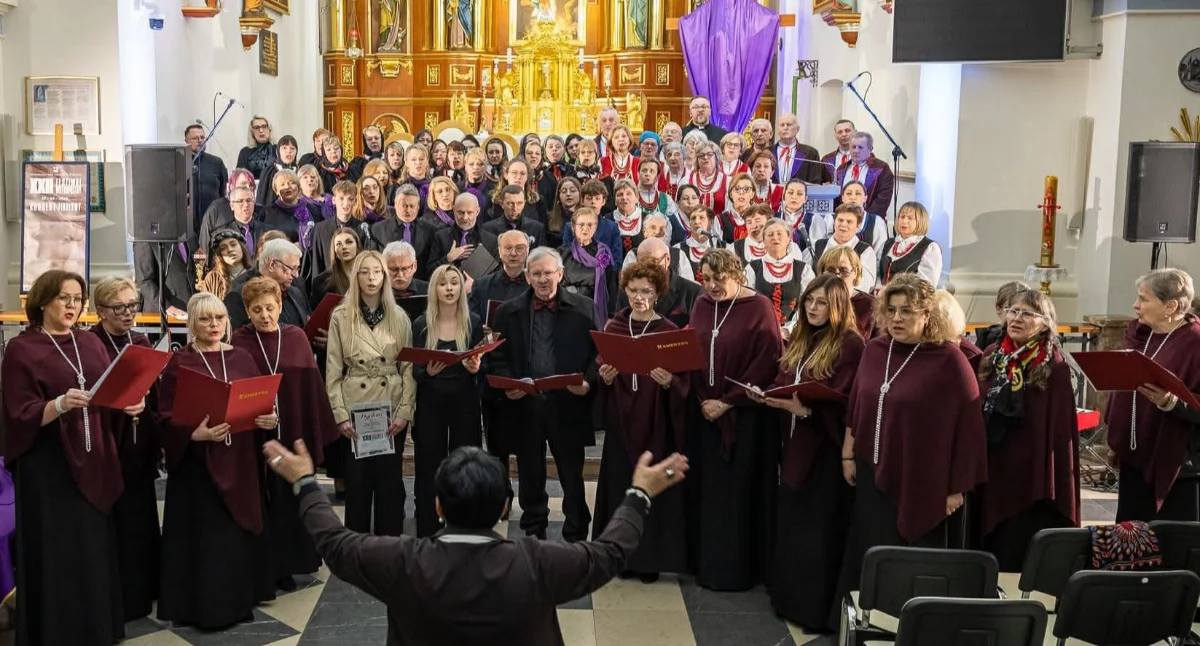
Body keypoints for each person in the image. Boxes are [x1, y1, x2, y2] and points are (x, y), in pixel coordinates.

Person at [264, 439, 687, 645]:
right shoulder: (537, 563)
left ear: (437, 506)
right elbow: (611, 553)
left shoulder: (401, 559)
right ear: (506, 506)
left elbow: (333, 542)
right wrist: (639, 494)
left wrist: (304, 480)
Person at [836, 274, 988, 617]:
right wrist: (848, 452)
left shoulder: (949, 360)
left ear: (927, 315)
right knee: (873, 548)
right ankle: (867, 621)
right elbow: (857, 405)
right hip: (872, 474)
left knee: (913, 558)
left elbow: (969, 431)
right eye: (891, 310)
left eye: (907, 311)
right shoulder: (875, 350)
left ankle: (914, 625)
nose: (898, 318)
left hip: (924, 482)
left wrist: (956, 489)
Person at [2, 270, 132, 645]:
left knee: (91, 548)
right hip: (49, 466)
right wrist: (57, 405)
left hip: (94, 459)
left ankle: (97, 628)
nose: (73, 305)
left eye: (78, 298)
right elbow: (16, 412)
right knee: (57, 549)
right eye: (64, 298)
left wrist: (128, 403)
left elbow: (107, 392)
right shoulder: (22, 349)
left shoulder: (89, 343)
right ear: (42, 301)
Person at [157, 292, 277, 629]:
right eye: (206, 319)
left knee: (236, 532)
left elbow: (260, 402)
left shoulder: (242, 357)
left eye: (220, 318)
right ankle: (208, 607)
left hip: (240, 459)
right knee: (209, 536)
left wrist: (269, 419)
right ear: (192, 323)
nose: (214, 325)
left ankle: (241, 599)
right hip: (199, 466)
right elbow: (165, 417)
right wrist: (194, 435)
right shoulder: (180, 362)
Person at [753, 274, 864, 630]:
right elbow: (787, 377)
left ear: (837, 306)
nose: (813, 309)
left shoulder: (850, 343)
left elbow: (849, 400)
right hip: (795, 444)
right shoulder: (801, 337)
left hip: (826, 450)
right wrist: (767, 393)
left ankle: (815, 609)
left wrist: (808, 412)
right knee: (794, 526)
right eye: (809, 302)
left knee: (819, 531)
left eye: (821, 303)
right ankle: (789, 600)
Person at [231, 278, 337, 589]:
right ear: (247, 312)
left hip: (292, 430)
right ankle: (263, 564)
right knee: (259, 497)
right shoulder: (239, 340)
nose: (265, 315)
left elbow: (310, 389)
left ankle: (291, 562)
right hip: (254, 436)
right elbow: (234, 389)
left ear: (280, 307)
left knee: (289, 497)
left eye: (270, 308)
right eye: (257, 310)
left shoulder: (295, 337)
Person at [687, 249, 784, 591]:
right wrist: (702, 399)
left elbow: (767, 359)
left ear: (737, 275)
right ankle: (706, 565)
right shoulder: (701, 304)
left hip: (744, 418)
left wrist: (728, 403)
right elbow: (692, 349)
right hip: (704, 414)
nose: (711, 286)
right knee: (709, 493)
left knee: (739, 493)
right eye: (706, 279)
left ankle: (740, 569)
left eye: (718, 279)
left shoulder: (758, 307)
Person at [489, 247, 600, 541]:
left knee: (571, 472)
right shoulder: (507, 312)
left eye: (548, 273)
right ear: (527, 277)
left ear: (560, 274)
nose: (543, 279)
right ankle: (533, 527)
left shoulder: (584, 307)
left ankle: (576, 530)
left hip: (568, 403)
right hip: (525, 404)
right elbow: (496, 356)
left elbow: (598, 355)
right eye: (536, 274)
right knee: (530, 472)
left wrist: (588, 382)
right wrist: (509, 383)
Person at [594, 261, 690, 582]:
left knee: (653, 492)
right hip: (622, 423)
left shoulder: (669, 332)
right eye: (633, 290)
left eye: (646, 291)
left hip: (656, 425)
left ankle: (649, 561)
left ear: (658, 293)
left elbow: (685, 385)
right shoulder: (614, 327)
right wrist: (605, 379)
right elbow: (602, 370)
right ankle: (621, 557)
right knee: (621, 486)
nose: (639, 297)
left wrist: (669, 383)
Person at [977, 286, 1079, 571]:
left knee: (1017, 544)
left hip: (1031, 473)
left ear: (1045, 321)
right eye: (1013, 311)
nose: (1016, 318)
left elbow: (1056, 430)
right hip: (994, 464)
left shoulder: (1053, 366)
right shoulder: (993, 355)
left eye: (1027, 313)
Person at [326, 251, 417, 536]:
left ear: (385, 276)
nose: (371, 278)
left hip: (390, 406)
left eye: (376, 272)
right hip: (356, 407)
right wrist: (340, 416)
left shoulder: (398, 316)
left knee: (390, 481)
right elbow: (332, 370)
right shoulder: (341, 316)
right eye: (364, 272)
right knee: (357, 481)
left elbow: (409, 369)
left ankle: (389, 545)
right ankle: (356, 544)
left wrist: (404, 411)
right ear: (356, 277)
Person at [89, 277, 162, 622]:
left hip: (138, 442)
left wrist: (144, 401)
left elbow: (152, 389)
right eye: (120, 307)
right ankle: (120, 594)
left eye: (133, 305)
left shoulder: (141, 340)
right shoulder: (89, 344)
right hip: (108, 444)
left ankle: (146, 587)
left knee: (141, 516)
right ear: (101, 311)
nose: (129, 313)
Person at [1106, 268, 1200, 521]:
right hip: (1135, 453)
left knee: (1168, 540)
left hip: (1176, 463)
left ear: (1170, 306)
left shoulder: (1195, 343)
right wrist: (1118, 437)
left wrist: (1172, 403)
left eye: (1144, 299)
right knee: (1132, 535)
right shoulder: (1138, 332)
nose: (1135, 305)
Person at [412, 265, 485, 537]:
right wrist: (426, 372)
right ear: (434, 289)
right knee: (429, 464)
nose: (450, 288)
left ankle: (466, 523)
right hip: (431, 403)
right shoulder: (421, 324)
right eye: (443, 283)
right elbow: (414, 369)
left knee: (466, 462)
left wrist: (475, 368)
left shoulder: (473, 322)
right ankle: (428, 525)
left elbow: (483, 366)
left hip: (464, 402)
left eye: (455, 283)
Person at [615, 237, 702, 329]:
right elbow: (620, 325)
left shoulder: (693, 293)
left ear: (667, 259)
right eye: (642, 262)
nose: (648, 268)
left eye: (653, 262)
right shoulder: (627, 290)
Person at [746, 217, 816, 331]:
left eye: (779, 234)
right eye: (770, 235)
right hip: (760, 330)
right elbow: (747, 304)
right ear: (763, 241)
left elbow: (808, 303)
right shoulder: (752, 268)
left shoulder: (804, 270)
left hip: (795, 332)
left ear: (789, 238)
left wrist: (789, 329)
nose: (775, 238)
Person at [225, 238, 311, 329]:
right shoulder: (238, 296)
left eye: (297, 269)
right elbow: (235, 338)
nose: (296, 275)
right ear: (272, 264)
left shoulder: (296, 292)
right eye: (292, 269)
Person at [559, 207, 618, 324]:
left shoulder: (603, 253)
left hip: (593, 310)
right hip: (567, 308)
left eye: (590, 225)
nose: (585, 229)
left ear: (595, 227)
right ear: (573, 227)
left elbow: (610, 284)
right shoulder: (561, 253)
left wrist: (611, 315)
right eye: (581, 224)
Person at [807, 203, 879, 290]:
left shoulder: (865, 250)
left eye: (849, 222)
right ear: (834, 222)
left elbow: (867, 284)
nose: (843, 225)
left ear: (858, 226)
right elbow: (806, 275)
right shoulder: (817, 245)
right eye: (840, 220)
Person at [429, 192, 499, 274]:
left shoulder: (490, 241)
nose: (465, 218)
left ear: (477, 211)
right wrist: (448, 258)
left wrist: (476, 283)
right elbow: (430, 273)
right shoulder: (440, 237)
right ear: (454, 210)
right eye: (461, 212)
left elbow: (496, 276)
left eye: (469, 212)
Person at [817, 246, 877, 339]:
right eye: (830, 271)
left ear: (855, 273)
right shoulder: (814, 301)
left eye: (844, 271)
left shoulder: (871, 305)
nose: (837, 277)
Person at [373, 183, 434, 273]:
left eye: (412, 206)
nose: (408, 210)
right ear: (395, 204)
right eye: (404, 205)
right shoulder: (378, 229)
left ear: (418, 207)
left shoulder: (430, 231)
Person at [879, 201, 943, 288]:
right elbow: (879, 274)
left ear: (921, 221)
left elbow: (926, 286)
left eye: (910, 218)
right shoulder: (889, 243)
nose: (904, 221)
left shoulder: (929, 247)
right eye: (902, 216)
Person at [834, 131, 896, 219]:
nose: (856, 151)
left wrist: (863, 218)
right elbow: (836, 197)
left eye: (860, 147)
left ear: (870, 149)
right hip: (844, 219)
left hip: (870, 220)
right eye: (853, 147)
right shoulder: (841, 169)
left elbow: (883, 199)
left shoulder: (882, 168)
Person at [198, 169, 258, 256]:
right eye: (243, 184)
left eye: (250, 184)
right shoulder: (216, 208)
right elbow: (204, 241)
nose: (247, 187)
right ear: (231, 186)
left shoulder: (257, 209)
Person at [259, 168, 322, 250]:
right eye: (282, 184)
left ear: (299, 188)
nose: (287, 187)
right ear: (276, 190)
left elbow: (321, 237)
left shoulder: (313, 210)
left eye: (292, 183)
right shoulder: (267, 213)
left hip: (309, 259)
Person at [187, 123, 229, 242]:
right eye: (195, 138)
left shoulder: (216, 162)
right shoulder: (180, 162)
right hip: (188, 223)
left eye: (202, 137)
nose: (200, 141)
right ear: (186, 141)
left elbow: (223, 191)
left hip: (213, 219)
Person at [309, 227, 362, 319]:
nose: (344, 247)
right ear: (335, 251)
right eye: (338, 244)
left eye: (349, 242)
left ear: (357, 247)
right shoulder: (321, 282)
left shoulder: (371, 276)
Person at [974, 281, 1029, 352]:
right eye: (1010, 310)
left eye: (1025, 312)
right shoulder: (987, 338)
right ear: (998, 309)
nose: (1017, 318)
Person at [201, 229, 254, 301]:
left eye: (233, 244)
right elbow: (205, 307)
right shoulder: (213, 279)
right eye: (223, 248)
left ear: (241, 247)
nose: (230, 249)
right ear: (220, 255)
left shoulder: (255, 275)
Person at [773, 113, 824, 184]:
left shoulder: (811, 153)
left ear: (797, 129)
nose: (785, 128)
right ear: (778, 130)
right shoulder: (768, 152)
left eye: (789, 124)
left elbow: (815, 183)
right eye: (782, 125)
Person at [779, 179, 825, 253]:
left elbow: (817, 248)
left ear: (805, 199)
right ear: (784, 196)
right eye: (790, 192)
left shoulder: (813, 219)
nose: (794, 197)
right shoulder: (775, 217)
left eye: (799, 194)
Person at [257, 134, 300, 207]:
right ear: (278, 151)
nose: (289, 151)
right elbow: (262, 199)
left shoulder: (300, 171)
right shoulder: (269, 172)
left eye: (292, 148)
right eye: (284, 148)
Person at [688, 140, 728, 216]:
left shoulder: (727, 181)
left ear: (716, 157)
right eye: (701, 155)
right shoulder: (687, 180)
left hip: (719, 226)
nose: (705, 157)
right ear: (697, 159)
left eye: (709, 154)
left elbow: (730, 210)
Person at [545, 176, 582, 249]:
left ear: (580, 194)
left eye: (573, 190)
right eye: (564, 191)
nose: (568, 194)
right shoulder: (549, 217)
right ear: (558, 196)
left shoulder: (588, 217)